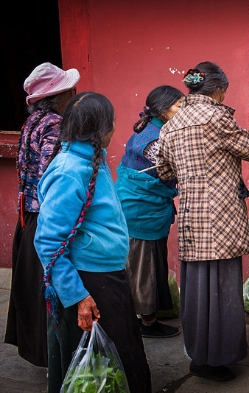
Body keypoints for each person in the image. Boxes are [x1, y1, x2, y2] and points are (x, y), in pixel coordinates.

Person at [156, 61, 249, 382]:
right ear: (219, 89)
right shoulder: (216, 117)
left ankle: (198, 354)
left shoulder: (171, 125)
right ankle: (215, 359)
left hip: (192, 219)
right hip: (220, 219)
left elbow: (164, 171)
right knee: (221, 289)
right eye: (224, 91)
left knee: (195, 290)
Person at [34, 92, 152, 393]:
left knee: (120, 357)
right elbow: (48, 242)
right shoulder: (69, 171)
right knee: (97, 367)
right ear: (99, 128)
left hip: (106, 276)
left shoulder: (91, 161)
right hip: (88, 282)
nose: (114, 127)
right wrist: (77, 296)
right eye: (111, 122)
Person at [5, 62, 79, 368]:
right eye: (70, 89)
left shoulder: (33, 122)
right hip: (45, 216)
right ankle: (55, 357)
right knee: (49, 286)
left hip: (29, 215)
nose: (75, 92)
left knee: (34, 286)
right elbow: (53, 172)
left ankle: (43, 353)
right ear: (60, 96)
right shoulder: (54, 124)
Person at [115, 85, 184, 338]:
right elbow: (176, 170)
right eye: (179, 105)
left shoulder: (156, 128)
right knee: (144, 268)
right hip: (140, 208)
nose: (183, 109)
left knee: (149, 264)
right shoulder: (154, 140)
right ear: (164, 110)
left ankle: (147, 315)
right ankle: (146, 322)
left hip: (145, 206)